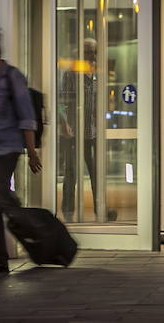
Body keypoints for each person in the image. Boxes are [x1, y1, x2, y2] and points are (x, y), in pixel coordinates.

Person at [0, 26, 42, 275]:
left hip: (8, 148)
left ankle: (40, 233)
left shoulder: (12, 76)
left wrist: (31, 152)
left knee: (2, 200)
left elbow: (26, 115)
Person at [58, 38, 99, 221]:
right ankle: (68, 212)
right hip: (73, 133)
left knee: (97, 174)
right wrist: (64, 123)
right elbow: (63, 102)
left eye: (94, 52)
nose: (92, 56)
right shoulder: (71, 74)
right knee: (71, 174)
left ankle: (101, 210)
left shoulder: (97, 74)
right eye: (89, 52)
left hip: (92, 132)